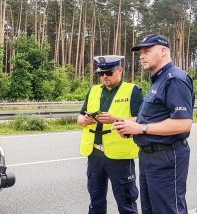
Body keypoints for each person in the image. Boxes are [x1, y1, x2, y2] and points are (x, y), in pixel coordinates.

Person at [113, 34, 195, 214]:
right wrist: (130, 124)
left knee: (168, 209)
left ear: (163, 51)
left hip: (166, 156)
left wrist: (141, 128)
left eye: (147, 51)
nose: (142, 56)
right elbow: (153, 118)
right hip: (149, 157)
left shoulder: (175, 79)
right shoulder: (158, 80)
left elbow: (183, 123)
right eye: (141, 52)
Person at [77, 55, 143, 214]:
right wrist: (84, 120)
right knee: (95, 200)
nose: (104, 76)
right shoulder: (93, 90)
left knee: (126, 201)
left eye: (108, 72)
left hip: (119, 156)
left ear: (119, 70)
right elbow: (79, 116)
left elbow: (141, 119)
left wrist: (115, 119)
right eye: (101, 73)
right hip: (94, 154)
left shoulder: (132, 90)